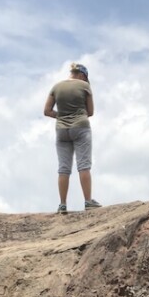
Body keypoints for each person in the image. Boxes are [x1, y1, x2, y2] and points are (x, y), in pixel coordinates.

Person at [44, 63, 101, 213]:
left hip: (62, 130)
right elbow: (90, 111)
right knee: (83, 165)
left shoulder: (56, 87)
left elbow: (47, 111)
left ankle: (62, 204)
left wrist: (62, 116)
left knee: (63, 168)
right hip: (81, 127)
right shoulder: (84, 86)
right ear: (82, 75)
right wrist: (77, 115)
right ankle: (88, 202)